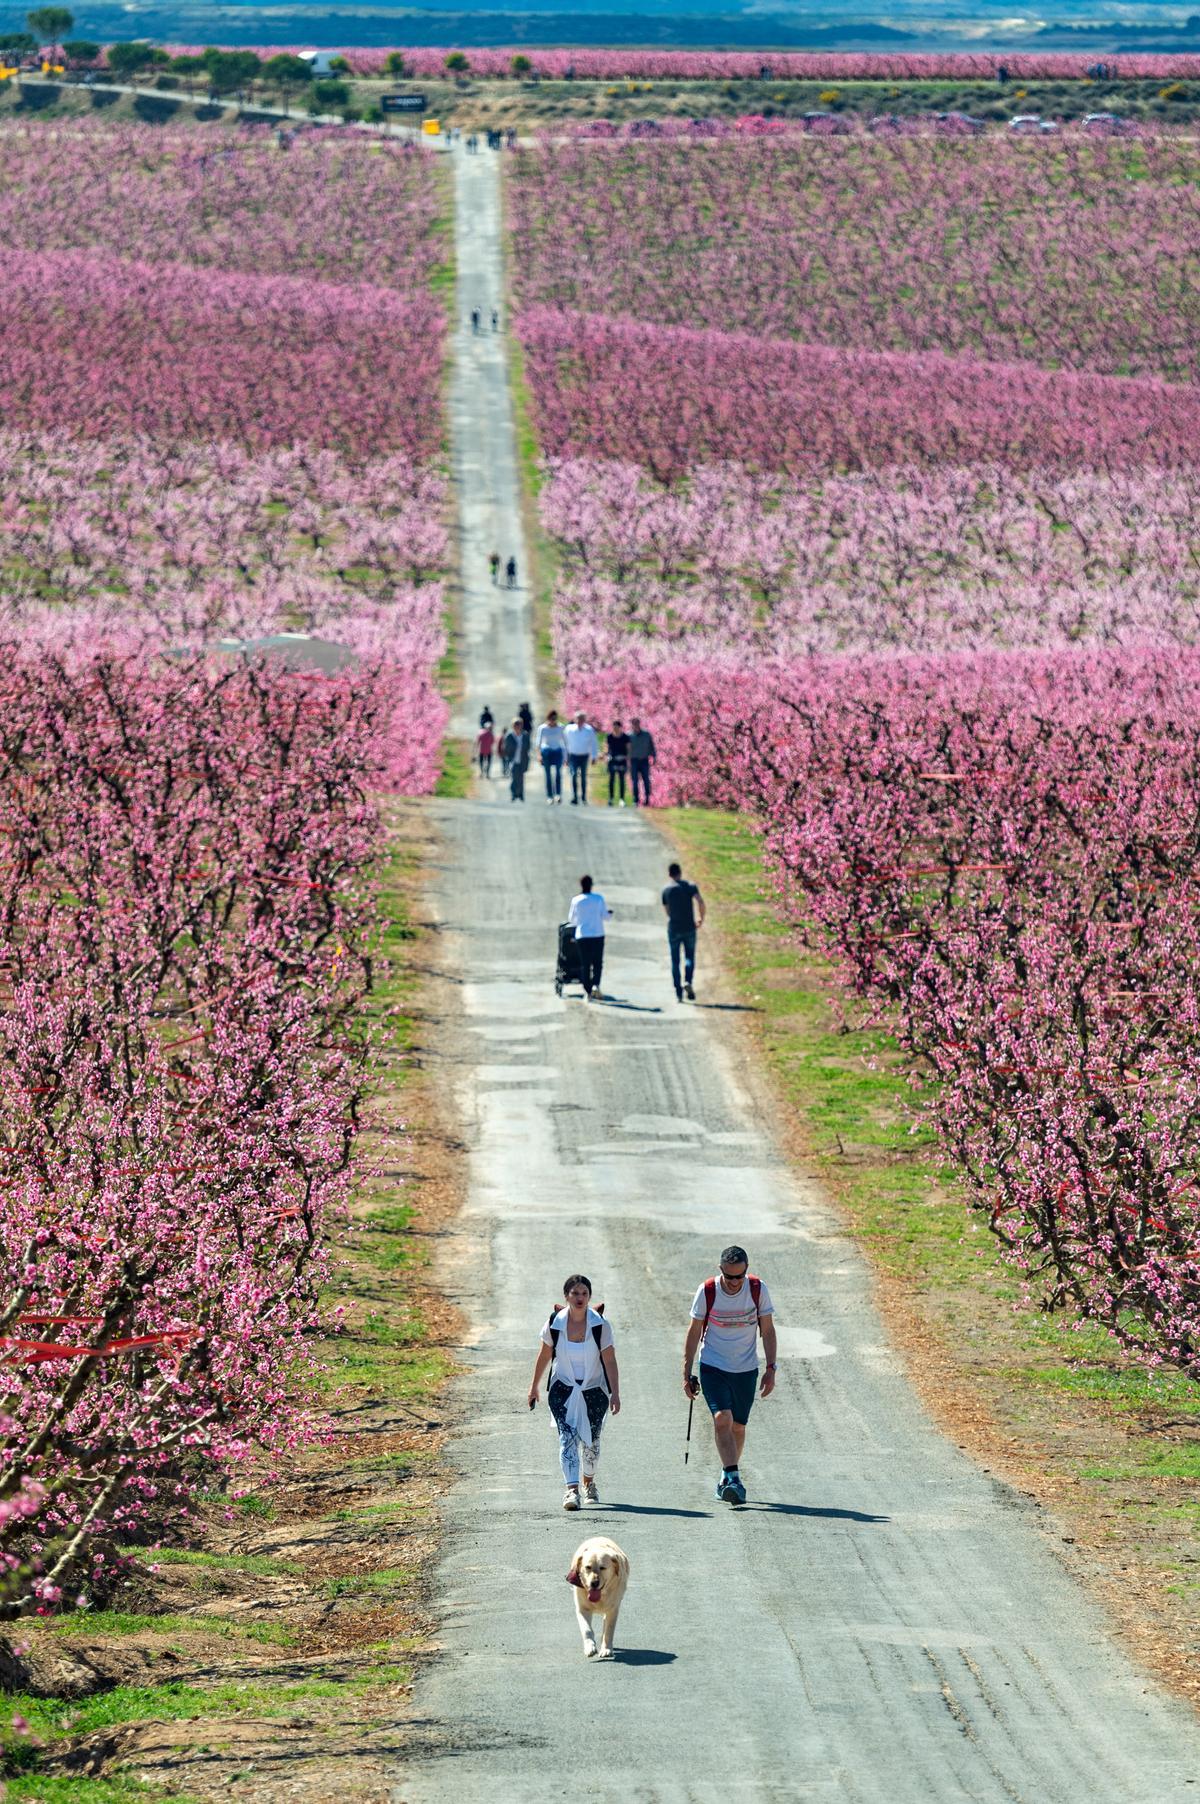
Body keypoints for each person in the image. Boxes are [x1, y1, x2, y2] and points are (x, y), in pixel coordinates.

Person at [682, 1245, 776, 1506]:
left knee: (738, 1426)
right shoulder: (708, 1291)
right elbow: (693, 1332)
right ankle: (735, 1478)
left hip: (745, 1369)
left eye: (739, 1277)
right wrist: (686, 1371)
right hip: (713, 1365)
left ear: (746, 1271)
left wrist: (771, 1368)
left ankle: (726, 1475)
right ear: (720, 1270)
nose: (734, 1283)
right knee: (723, 1418)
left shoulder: (758, 1289)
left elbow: (767, 1331)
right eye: (729, 1276)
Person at [528, 1274, 620, 1511]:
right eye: (575, 1293)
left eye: (584, 1294)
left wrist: (615, 1393)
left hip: (594, 1391)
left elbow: (609, 1361)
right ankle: (571, 1491)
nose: (580, 1298)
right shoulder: (555, 1323)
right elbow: (545, 1356)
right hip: (563, 1389)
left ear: (589, 1297)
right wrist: (534, 1386)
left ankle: (588, 1483)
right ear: (566, 1296)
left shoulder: (600, 1325)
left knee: (592, 1442)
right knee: (567, 1438)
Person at [662, 860, 705, 1002]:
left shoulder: (666, 890)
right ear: (680, 872)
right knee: (689, 957)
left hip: (674, 928)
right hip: (689, 927)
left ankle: (678, 992)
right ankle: (688, 981)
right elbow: (700, 902)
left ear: (669, 874)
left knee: (675, 960)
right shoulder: (690, 887)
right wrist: (700, 918)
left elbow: (667, 911)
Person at [567, 874, 611, 1001]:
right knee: (597, 963)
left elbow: (572, 919)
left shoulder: (576, 900)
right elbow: (605, 916)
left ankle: (587, 991)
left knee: (585, 964)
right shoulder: (598, 899)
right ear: (591, 885)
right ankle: (596, 985)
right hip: (597, 934)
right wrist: (610, 914)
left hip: (583, 935)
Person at [565, 711, 599, 806]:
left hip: (584, 756)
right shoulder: (569, 729)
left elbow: (594, 743)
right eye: (578, 718)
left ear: (584, 720)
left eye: (581, 718)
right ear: (575, 719)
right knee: (574, 775)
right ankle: (575, 796)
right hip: (573, 756)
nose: (580, 720)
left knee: (583, 776)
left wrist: (594, 756)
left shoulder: (589, 730)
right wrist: (565, 757)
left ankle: (584, 797)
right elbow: (565, 743)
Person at [537, 707, 568, 803]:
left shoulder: (561, 727)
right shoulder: (542, 728)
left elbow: (565, 742)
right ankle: (549, 796)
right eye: (551, 719)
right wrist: (539, 755)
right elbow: (538, 743)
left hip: (557, 751)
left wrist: (566, 756)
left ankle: (558, 794)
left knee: (558, 774)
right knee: (548, 775)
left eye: (554, 719)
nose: (553, 721)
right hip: (547, 751)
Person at [628, 718, 657, 807]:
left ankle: (647, 799)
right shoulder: (629, 736)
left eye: (636, 723)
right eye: (633, 724)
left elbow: (652, 746)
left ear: (639, 724)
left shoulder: (646, 734)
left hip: (644, 760)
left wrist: (654, 757)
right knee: (635, 781)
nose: (635, 725)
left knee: (646, 780)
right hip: (634, 761)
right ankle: (635, 800)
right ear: (632, 725)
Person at [503, 716, 529, 801]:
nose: (517, 726)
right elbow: (505, 748)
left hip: (522, 760)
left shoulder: (525, 735)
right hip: (512, 760)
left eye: (519, 724)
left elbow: (528, 747)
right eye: (516, 724)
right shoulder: (509, 736)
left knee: (521, 778)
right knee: (514, 778)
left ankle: (520, 794)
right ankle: (514, 794)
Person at [606, 718, 630, 807]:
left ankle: (622, 799)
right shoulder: (609, 736)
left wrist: (626, 757)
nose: (615, 729)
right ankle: (611, 798)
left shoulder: (625, 737)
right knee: (611, 780)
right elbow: (607, 748)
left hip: (622, 760)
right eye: (614, 727)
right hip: (612, 760)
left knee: (621, 780)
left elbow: (628, 749)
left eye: (617, 727)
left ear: (620, 728)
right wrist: (607, 756)